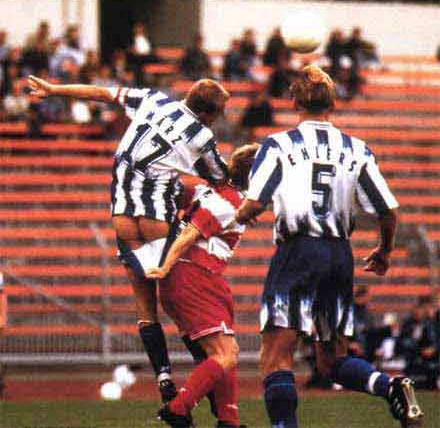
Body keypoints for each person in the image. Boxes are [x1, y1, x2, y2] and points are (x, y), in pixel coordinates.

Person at [236, 65, 424, 428]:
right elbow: (388, 210)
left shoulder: (279, 144)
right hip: (339, 254)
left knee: (276, 357)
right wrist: (384, 250)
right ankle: (390, 387)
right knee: (331, 361)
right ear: (333, 103)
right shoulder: (357, 149)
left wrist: (237, 213)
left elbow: (254, 204)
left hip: (298, 252)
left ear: (294, 102)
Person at [27, 74, 230, 403]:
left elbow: (101, 92)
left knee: (146, 310)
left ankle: (163, 377)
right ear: (208, 114)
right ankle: (208, 381)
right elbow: (221, 176)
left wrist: (54, 89)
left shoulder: (153, 99)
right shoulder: (200, 134)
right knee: (184, 307)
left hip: (123, 220)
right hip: (157, 220)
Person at [147, 143, 258, 428]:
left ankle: (228, 421)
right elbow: (189, 233)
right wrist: (165, 266)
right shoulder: (228, 202)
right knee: (225, 353)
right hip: (194, 274)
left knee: (225, 351)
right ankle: (177, 409)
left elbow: (177, 192)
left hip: (196, 276)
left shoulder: (213, 191)